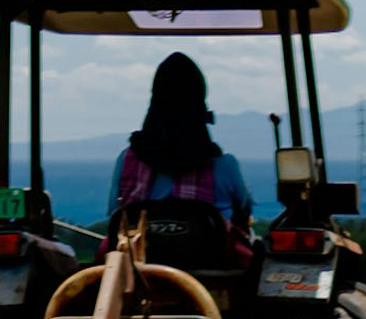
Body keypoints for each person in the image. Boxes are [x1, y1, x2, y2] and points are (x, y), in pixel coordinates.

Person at [109, 53, 257, 255]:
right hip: (212, 269)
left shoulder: (127, 161)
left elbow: (114, 211)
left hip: (139, 271)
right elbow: (244, 209)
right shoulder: (223, 166)